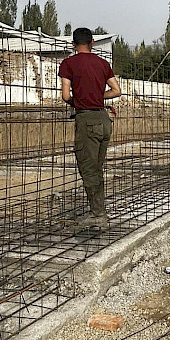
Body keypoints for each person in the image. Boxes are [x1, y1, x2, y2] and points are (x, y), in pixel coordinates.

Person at [59, 27, 122, 228]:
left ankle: (98, 214)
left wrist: (82, 99)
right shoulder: (103, 64)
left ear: (73, 45)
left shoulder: (68, 63)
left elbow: (66, 96)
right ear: (93, 42)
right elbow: (116, 90)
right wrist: (97, 95)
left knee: (88, 169)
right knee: (97, 168)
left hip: (86, 120)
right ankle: (98, 210)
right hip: (104, 120)